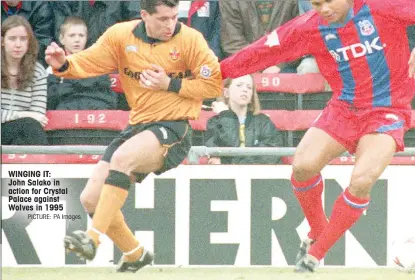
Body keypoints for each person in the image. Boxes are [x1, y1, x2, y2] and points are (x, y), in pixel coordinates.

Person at [220, 0, 415, 272]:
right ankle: (318, 229)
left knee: (362, 179)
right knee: (303, 166)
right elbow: (259, 52)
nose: (323, 9)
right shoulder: (310, 26)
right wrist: (212, 74)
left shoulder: (381, 6)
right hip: (344, 107)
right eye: (316, 3)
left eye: (329, 2)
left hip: (388, 108)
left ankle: (316, 253)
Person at [45, 0, 222, 273]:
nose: (170, 24)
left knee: (122, 158)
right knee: (91, 198)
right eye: (162, 18)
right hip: (138, 125)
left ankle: (91, 239)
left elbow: (213, 84)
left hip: (174, 126)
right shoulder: (121, 35)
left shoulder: (191, 40)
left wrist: (171, 84)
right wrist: (64, 64)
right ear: (144, 16)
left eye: (174, 17)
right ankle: (135, 253)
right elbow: (91, 61)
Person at [205, 75, 283, 165]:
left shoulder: (263, 122)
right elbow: (232, 146)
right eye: (239, 85)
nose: (245, 89)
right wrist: (226, 115)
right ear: (226, 93)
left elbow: (269, 155)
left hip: (257, 176)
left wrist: (229, 163)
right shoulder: (214, 123)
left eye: (249, 87)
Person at [47, 16, 117, 110]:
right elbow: (50, 101)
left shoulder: (97, 65)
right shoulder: (52, 69)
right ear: (62, 39)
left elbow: (108, 97)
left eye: (81, 35)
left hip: (97, 115)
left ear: (86, 38)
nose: (77, 40)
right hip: (66, 117)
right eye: (72, 35)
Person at [1, 15, 48, 145]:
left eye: (23, 39)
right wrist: (21, 115)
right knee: (28, 125)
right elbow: (32, 117)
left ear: (29, 42)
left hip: (25, 133)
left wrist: (26, 117)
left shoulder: (38, 71)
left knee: (29, 129)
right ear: (2, 41)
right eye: (12, 39)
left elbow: (38, 115)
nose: (18, 44)